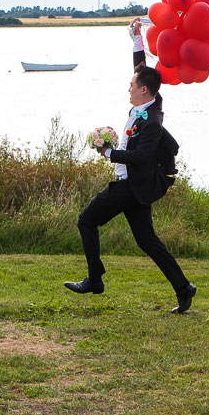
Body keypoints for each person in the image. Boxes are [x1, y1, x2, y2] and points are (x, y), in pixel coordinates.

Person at [64, 18, 197, 313]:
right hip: (138, 188)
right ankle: (184, 288)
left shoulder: (151, 121)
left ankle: (95, 280)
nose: (128, 87)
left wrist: (110, 154)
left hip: (131, 186)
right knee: (147, 241)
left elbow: (142, 157)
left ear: (144, 91)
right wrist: (137, 38)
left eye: (132, 85)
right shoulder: (147, 102)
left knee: (86, 220)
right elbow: (141, 69)